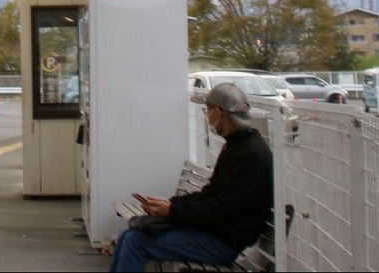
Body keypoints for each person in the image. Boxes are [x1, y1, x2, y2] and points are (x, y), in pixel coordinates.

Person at [110, 82, 274, 272]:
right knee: (128, 236)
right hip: (216, 234)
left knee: (135, 242)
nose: (206, 116)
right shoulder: (239, 146)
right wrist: (171, 204)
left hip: (222, 244)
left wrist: (172, 211)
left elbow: (221, 209)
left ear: (218, 112)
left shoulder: (249, 155)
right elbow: (211, 194)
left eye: (207, 110)